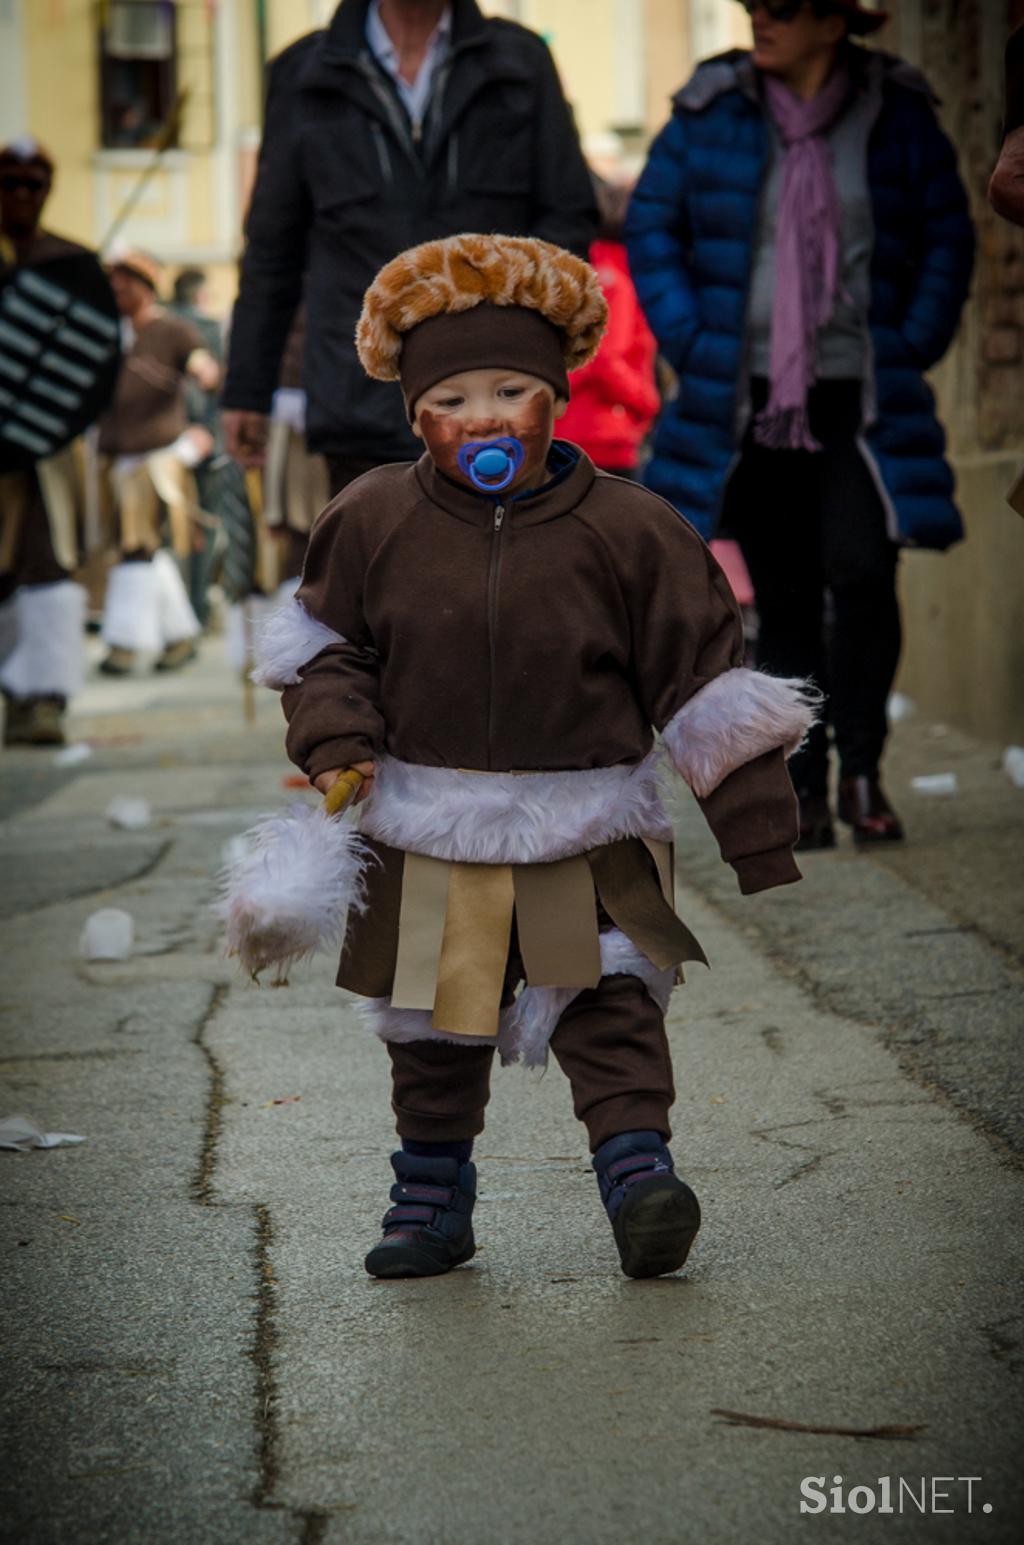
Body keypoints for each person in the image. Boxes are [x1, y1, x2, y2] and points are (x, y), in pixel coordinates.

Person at [244, 233, 816, 1282]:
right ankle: (430, 1195)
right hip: (431, 819)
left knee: (607, 1004)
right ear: (415, 411)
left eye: (513, 389)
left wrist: (758, 827)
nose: (485, 419)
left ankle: (639, 1177)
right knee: (434, 1027)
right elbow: (324, 653)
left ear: (557, 396)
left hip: (585, 822)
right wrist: (338, 741)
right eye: (453, 398)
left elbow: (705, 683)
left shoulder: (629, 530)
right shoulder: (371, 520)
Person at [626, 1, 974, 848]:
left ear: (833, 23)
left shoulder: (895, 114)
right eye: (753, 9)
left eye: (781, 9)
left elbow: (946, 233)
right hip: (750, 394)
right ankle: (803, 787)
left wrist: (913, 336)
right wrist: (694, 335)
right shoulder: (710, 111)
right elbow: (652, 225)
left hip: (860, 394)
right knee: (781, 599)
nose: (761, 23)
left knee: (861, 572)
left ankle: (864, 769)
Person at [222, 0, 597, 499]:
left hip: (492, 408)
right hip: (358, 400)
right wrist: (248, 388)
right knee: (377, 569)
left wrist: (527, 355)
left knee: (497, 571)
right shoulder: (304, 73)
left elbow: (567, 219)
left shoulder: (519, 63)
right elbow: (273, 248)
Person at [0, 137, 110, 747]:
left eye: (31, 184)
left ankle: (42, 699)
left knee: (46, 560)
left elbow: (91, 367)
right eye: (9, 182)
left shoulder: (72, 266)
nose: (20, 195)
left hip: (48, 451)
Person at [97, 248, 221, 675]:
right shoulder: (107, 333)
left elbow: (200, 363)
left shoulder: (173, 331)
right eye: (112, 279)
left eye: (126, 280)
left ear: (146, 287)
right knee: (145, 550)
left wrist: (205, 374)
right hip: (117, 461)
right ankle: (179, 636)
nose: (116, 287)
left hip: (157, 462)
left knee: (138, 547)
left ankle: (124, 645)